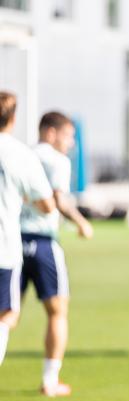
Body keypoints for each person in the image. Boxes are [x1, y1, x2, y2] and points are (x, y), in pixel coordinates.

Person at [19, 111, 93, 397]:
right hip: (43, 242)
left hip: (12, 241)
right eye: (68, 136)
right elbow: (59, 200)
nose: (71, 144)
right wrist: (82, 223)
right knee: (57, 310)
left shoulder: (21, 154)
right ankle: (50, 381)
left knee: (6, 314)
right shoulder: (56, 160)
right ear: (50, 132)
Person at [0, 92, 55, 368]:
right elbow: (47, 204)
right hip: (4, 249)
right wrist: (24, 196)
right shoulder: (20, 153)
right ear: (13, 118)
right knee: (7, 314)